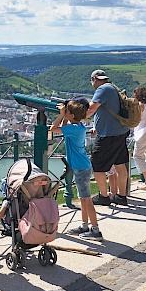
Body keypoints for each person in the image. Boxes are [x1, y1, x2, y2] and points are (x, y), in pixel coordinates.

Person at [50, 100, 103, 240]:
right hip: (82, 166)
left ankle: (96, 230)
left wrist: (61, 115)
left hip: (80, 168)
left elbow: (53, 129)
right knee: (82, 198)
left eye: (67, 111)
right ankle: (84, 226)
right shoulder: (78, 126)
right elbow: (63, 128)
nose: (65, 111)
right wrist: (65, 116)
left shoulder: (73, 129)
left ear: (71, 115)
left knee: (86, 199)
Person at [86, 70, 130, 207]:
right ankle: (121, 196)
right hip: (121, 132)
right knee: (120, 164)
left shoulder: (102, 90)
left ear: (94, 79)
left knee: (97, 165)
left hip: (108, 135)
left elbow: (91, 110)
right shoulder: (113, 87)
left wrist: (74, 117)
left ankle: (103, 196)